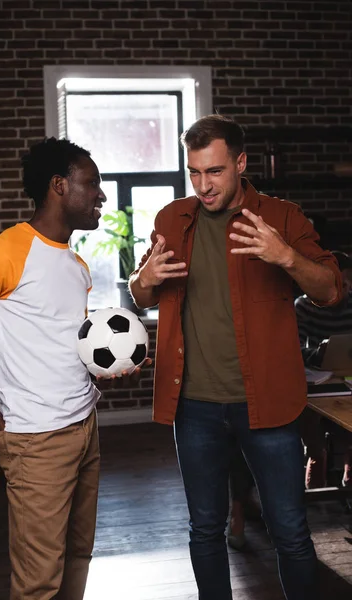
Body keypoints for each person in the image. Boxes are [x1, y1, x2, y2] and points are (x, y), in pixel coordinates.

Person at [128, 114, 342, 600]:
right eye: (194, 172)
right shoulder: (171, 219)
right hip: (195, 406)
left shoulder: (282, 217)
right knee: (205, 530)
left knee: (289, 531)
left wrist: (286, 257)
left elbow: (331, 290)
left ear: (241, 163)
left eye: (215, 171)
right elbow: (141, 293)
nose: (203, 185)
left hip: (267, 402)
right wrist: (143, 281)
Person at [0, 137, 149, 600]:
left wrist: (109, 367)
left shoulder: (77, 265)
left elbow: (62, 347)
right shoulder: (2, 253)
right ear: (59, 186)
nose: (101, 195)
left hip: (85, 427)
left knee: (78, 556)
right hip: (35, 439)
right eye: (93, 184)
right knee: (39, 581)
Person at [295, 250, 352, 488]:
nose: (344, 289)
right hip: (317, 377)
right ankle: (316, 454)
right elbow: (293, 349)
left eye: (347, 283)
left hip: (347, 375)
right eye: (338, 283)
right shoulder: (305, 306)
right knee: (305, 411)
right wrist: (319, 352)